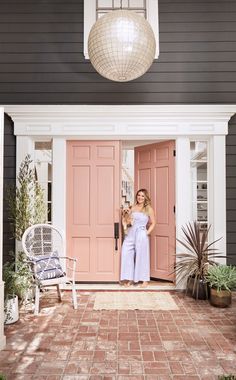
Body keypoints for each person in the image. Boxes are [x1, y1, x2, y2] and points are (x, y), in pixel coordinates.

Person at [120, 188, 156, 288]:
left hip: (141, 234)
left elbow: (153, 223)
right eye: (139, 195)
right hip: (130, 233)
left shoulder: (148, 208)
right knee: (126, 253)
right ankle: (129, 278)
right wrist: (125, 219)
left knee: (142, 256)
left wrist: (146, 233)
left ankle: (144, 280)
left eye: (142, 196)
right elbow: (128, 219)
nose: (140, 197)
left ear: (146, 198)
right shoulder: (132, 207)